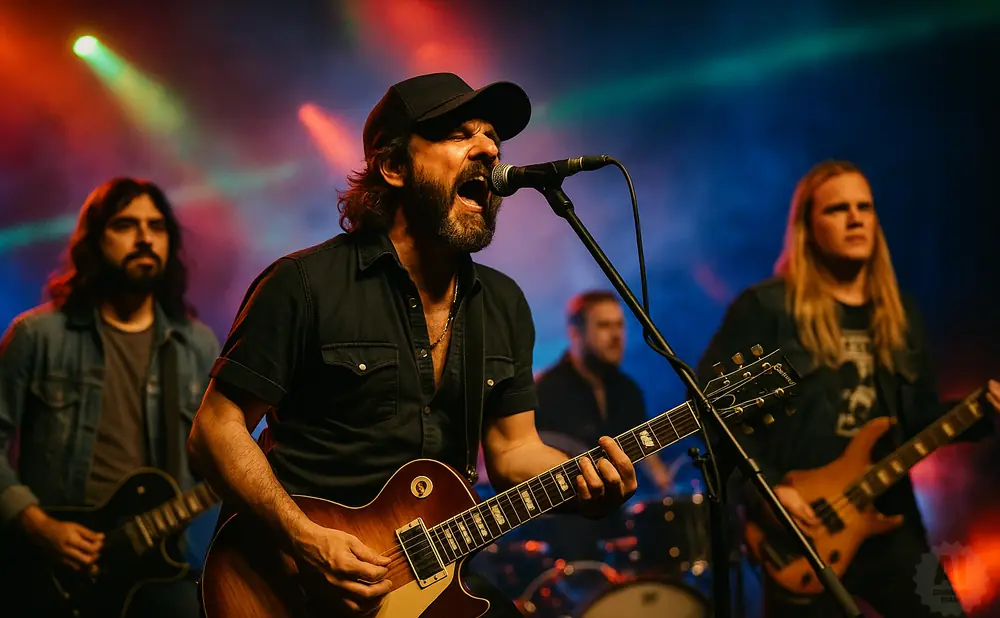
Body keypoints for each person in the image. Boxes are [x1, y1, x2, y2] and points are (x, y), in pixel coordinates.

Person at [186, 72, 638, 618]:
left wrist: (583, 483)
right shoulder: (304, 284)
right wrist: (305, 538)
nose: (490, 149)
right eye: (459, 133)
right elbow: (215, 429)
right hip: (294, 585)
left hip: (437, 585)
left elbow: (514, 450)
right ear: (394, 167)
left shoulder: (502, 303)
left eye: (493, 135)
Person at [696, 160, 1000, 618]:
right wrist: (770, 490)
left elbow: (916, 419)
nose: (856, 219)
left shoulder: (899, 314)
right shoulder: (768, 308)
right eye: (838, 209)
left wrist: (982, 410)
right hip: (802, 530)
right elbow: (709, 406)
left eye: (865, 207)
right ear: (807, 228)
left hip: (889, 518)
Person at [0, 177, 220, 617]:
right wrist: (37, 524)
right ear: (95, 240)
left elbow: (215, 460)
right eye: (126, 224)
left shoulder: (196, 345)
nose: (144, 237)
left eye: (156, 227)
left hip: (157, 568)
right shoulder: (37, 335)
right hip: (48, 569)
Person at [534, 290, 677, 492]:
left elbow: (651, 463)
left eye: (620, 325)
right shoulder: (543, 391)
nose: (616, 335)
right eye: (604, 326)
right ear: (576, 333)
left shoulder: (628, 390)